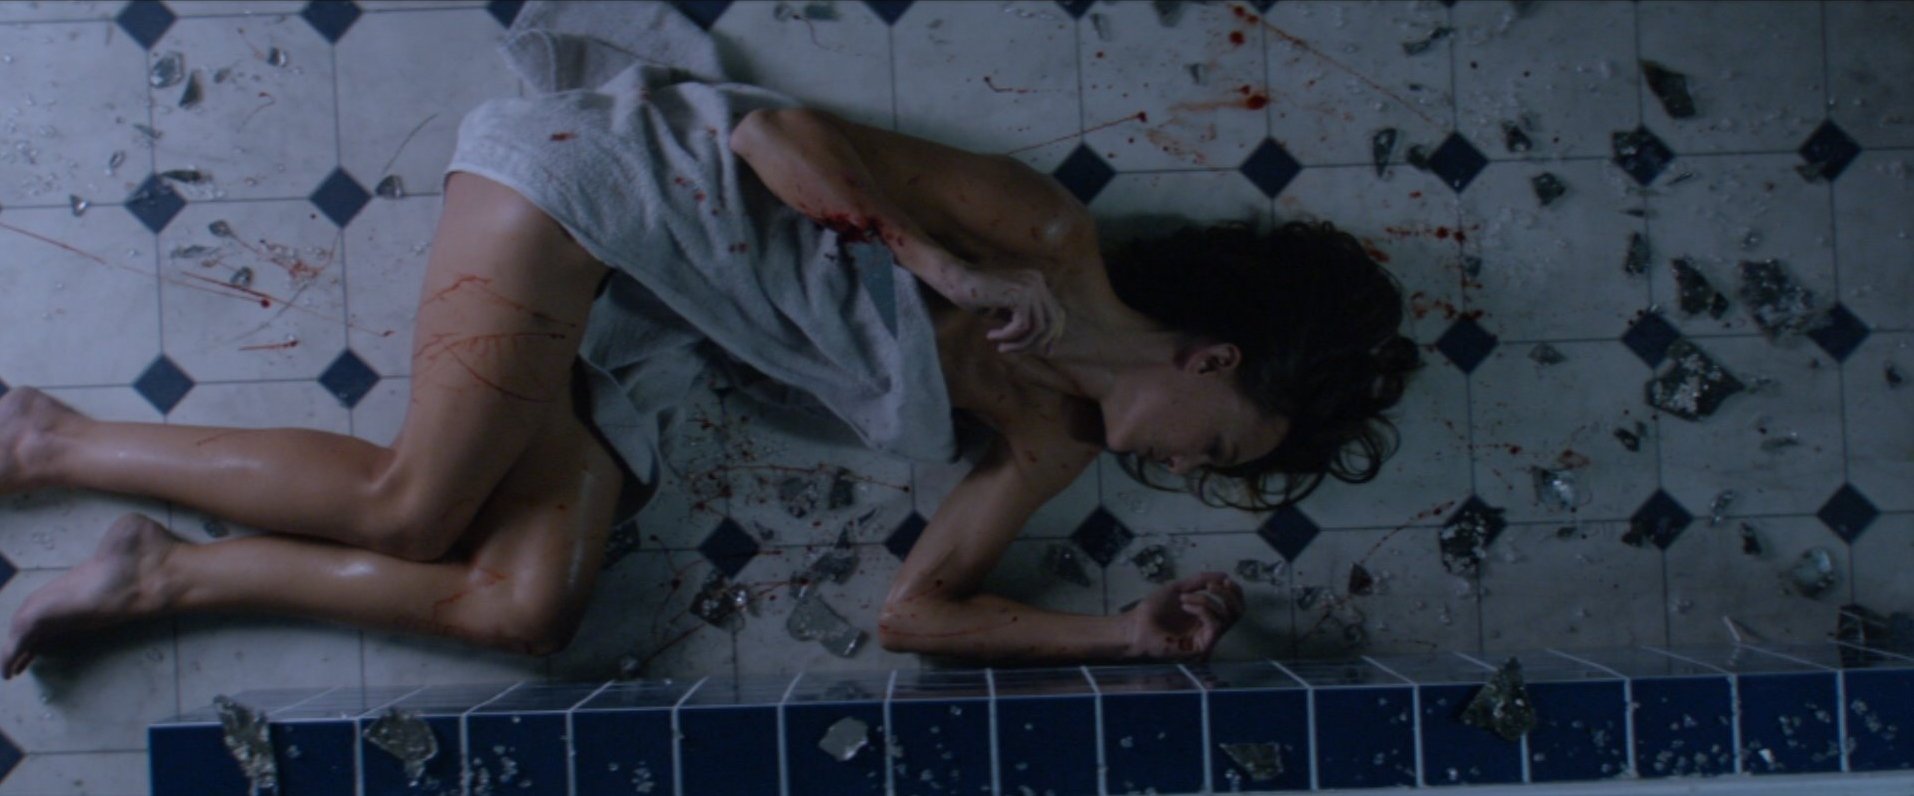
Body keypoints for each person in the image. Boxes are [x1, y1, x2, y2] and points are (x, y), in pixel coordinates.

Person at [0, 101, 1417, 679]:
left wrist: (1120, 634)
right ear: (1210, 359)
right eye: (1219, 446)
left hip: (638, 338)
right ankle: (48, 442)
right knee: (414, 510)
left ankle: (160, 574)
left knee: (525, 610)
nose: (1187, 471)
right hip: (605, 193)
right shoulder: (1044, 236)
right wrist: (937, 260)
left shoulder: (1053, 440)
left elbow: (912, 614)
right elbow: (767, 136)